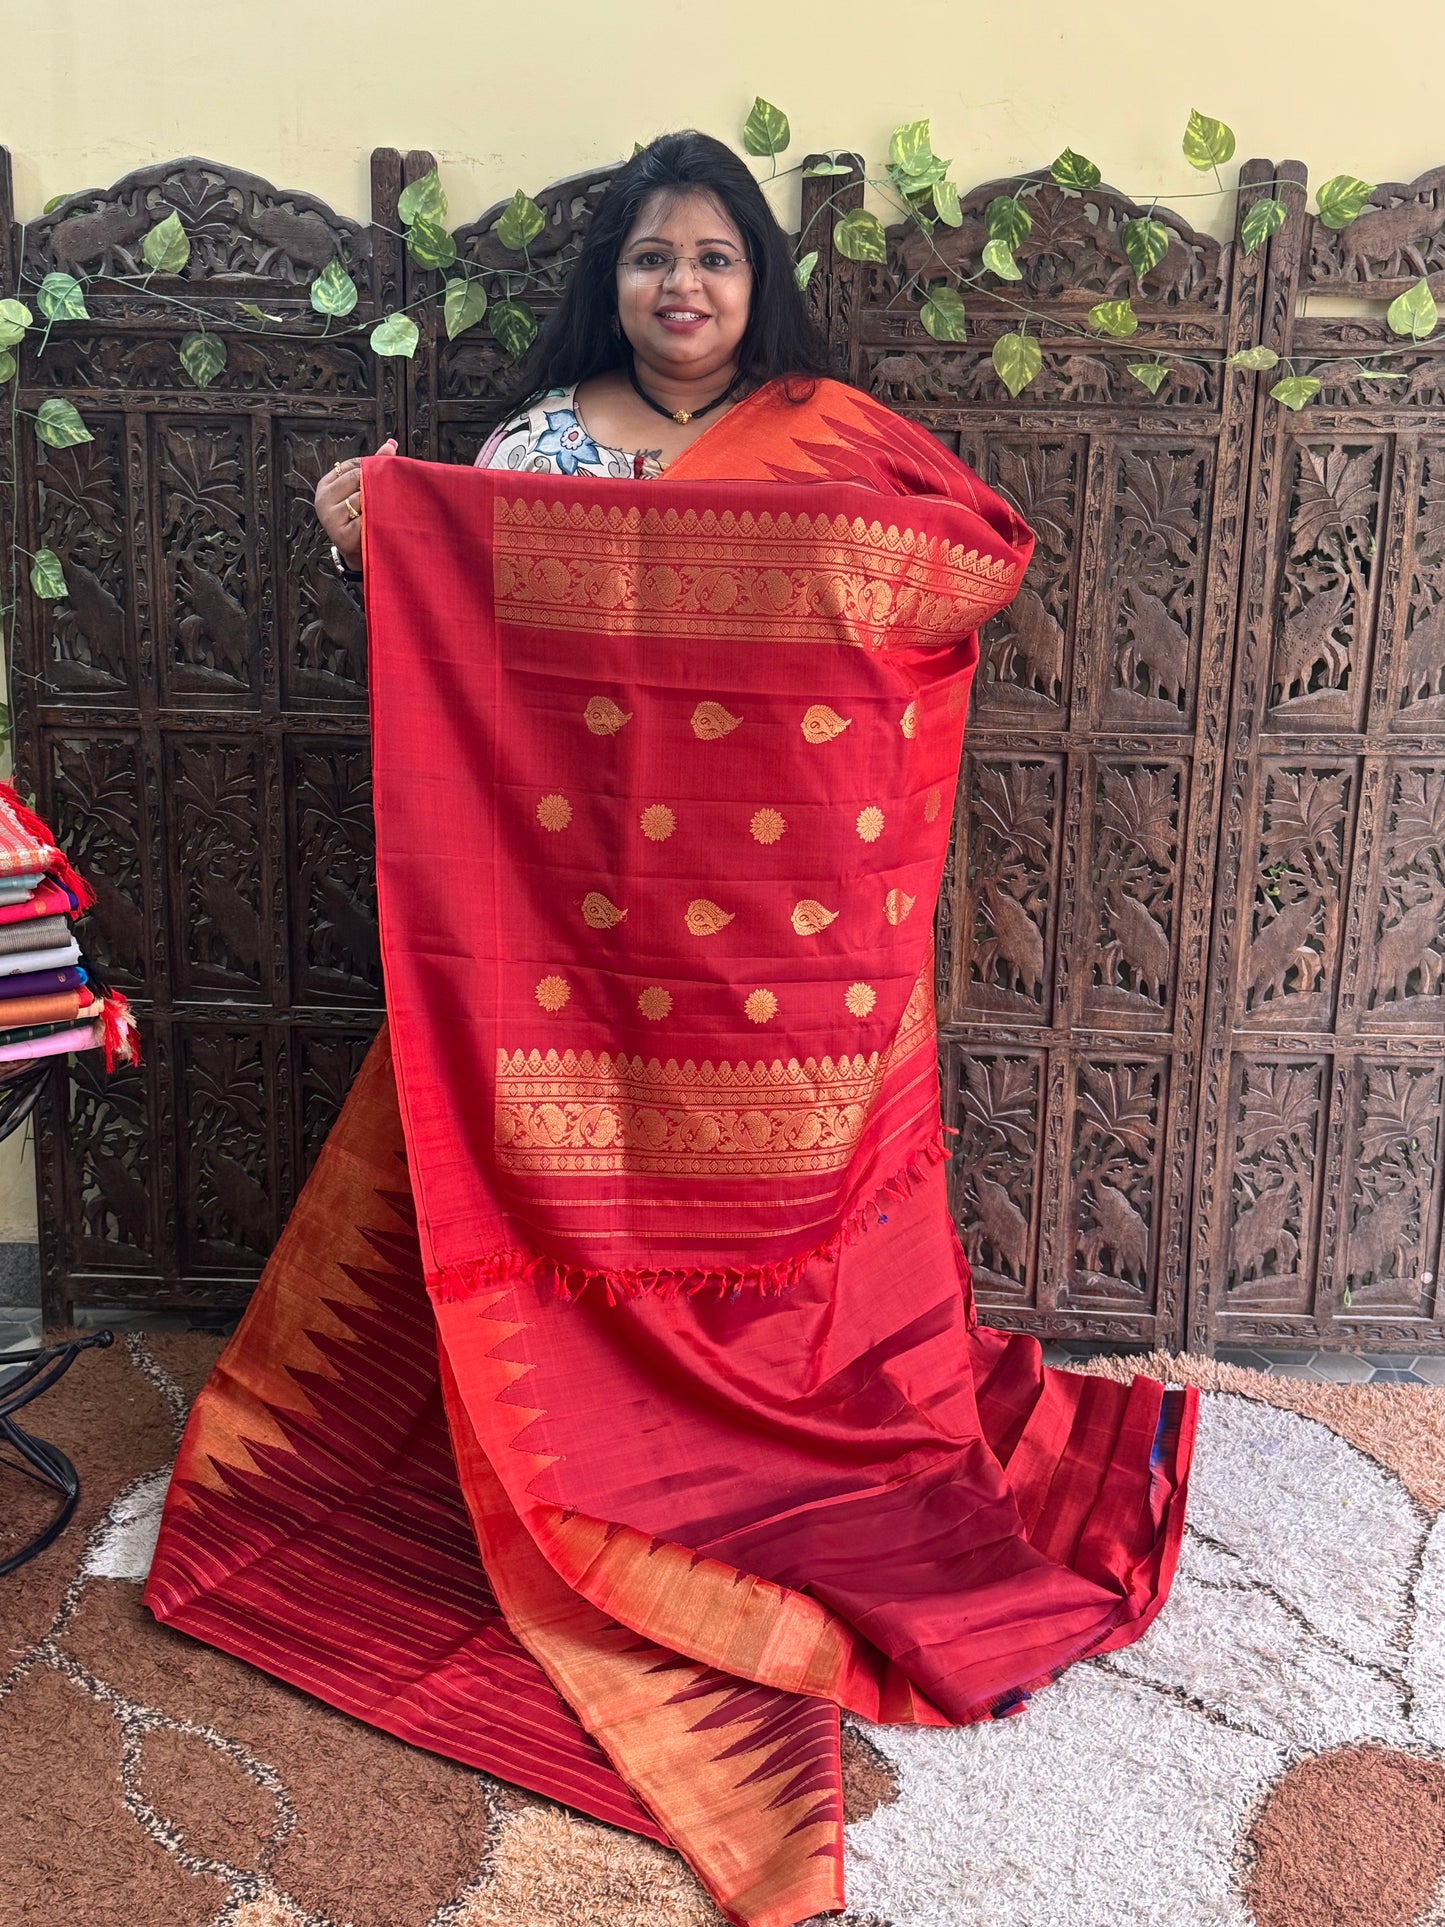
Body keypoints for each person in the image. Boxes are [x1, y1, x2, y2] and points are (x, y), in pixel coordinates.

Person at [149, 132, 1195, 1927]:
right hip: (558, 929)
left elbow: (963, 569)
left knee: (774, 1229)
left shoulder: (829, 436)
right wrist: (373, 528)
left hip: (763, 950)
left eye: (712, 258)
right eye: (652, 260)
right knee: (512, 1193)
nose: (682, 289)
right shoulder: (531, 452)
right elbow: (448, 629)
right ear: (610, 282)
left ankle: (720, 1455)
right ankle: (554, 1438)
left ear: (752, 278)